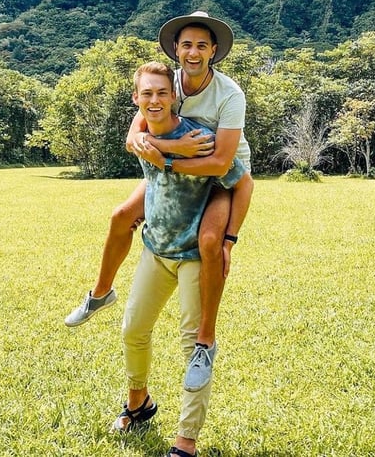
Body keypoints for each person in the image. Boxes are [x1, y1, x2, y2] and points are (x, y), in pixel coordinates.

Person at [65, 11, 253, 392]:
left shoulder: (229, 94)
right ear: (176, 50)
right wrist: (170, 152)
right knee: (121, 216)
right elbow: (135, 136)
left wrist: (165, 155)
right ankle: (100, 293)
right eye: (187, 45)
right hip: (173, 168)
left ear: (214, 51)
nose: (194, 52)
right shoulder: (167, 84)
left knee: (210, 243)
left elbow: (220, 162)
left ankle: (204, 341)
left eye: (202, 45)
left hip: (221, 177)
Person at [112, 61, 249, 457]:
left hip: (194, 255)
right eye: (146, 94)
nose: (154, 100)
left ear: (175, 97)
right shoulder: (141, 136)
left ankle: (185, 441)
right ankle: (139, 404)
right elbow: (140, 145)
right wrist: (158, 149)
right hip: (156, 249)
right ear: (136, 100)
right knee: (133, 329)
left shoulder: (201, 137)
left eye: (161, 93)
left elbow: (240, 179)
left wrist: (228, 240)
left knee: (194, 345)